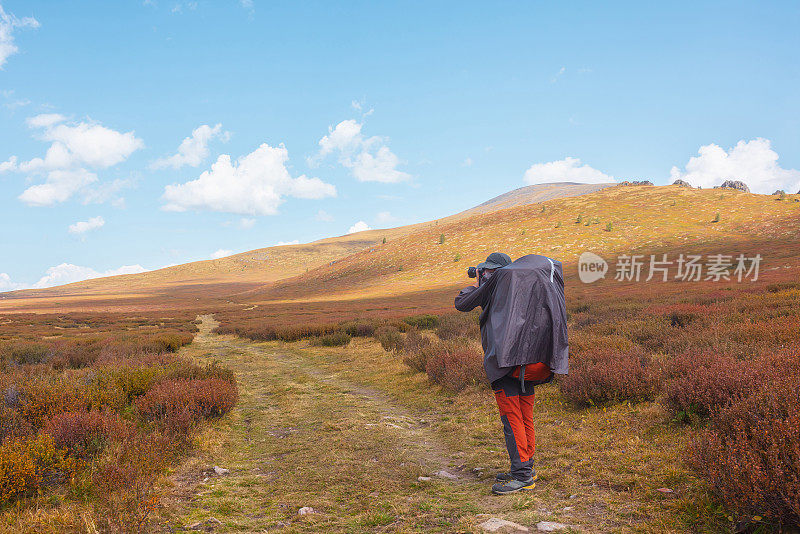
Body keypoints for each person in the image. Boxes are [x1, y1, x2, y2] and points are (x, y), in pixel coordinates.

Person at [454, 252, 569, 495]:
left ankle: (522, 476)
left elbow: (462, 303)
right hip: (533, 363)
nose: (483, 273)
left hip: (507, 364)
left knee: (512, 419)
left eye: (486, 270)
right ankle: (526, 465)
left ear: (493, 272)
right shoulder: (523, 285)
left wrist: (478, 283)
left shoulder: (494, 285)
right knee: (525, 416)